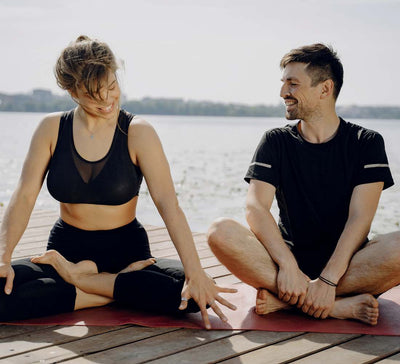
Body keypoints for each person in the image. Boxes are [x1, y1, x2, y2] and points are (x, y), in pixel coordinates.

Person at [0, 35, 236, 329]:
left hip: (127, 253)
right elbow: (23, 196)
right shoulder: (51, 129)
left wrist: (195, 272)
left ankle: (86, 282)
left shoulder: (138, 131)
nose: (107, 100)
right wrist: (3, 256)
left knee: (198, 293)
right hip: (65, 251)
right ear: (71, 90)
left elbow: (168, 204)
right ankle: (109, 290)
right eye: (93, 94)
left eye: (111, 87)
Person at [208, 43, 400, 325]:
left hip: (348, 266)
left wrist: (328, 280)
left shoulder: (366, 143)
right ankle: (336, 307)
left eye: (293, 84)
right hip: (285, 265)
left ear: (325, 89)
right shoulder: (275, 141)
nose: (283, 92)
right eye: (284, 83)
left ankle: (289, 302)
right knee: (219, 231)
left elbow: (360, 219)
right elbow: (256, 207)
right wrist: (287, 265)